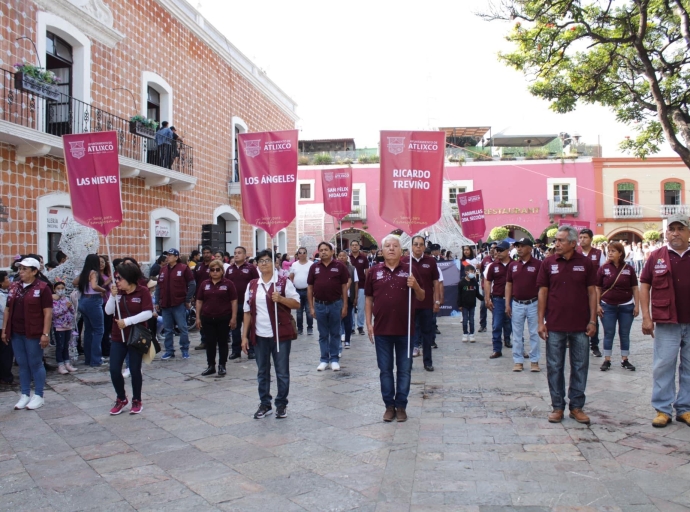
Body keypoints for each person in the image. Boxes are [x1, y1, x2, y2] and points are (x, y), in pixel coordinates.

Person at [537, 226, 597, 425]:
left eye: (561, 240)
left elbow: (592, 292)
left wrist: (592, 320)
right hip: (554, 324)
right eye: (556, 240)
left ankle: (576, 407)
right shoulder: (548, 263)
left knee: (580, 366)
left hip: (580, 325)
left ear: (573, 243)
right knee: (555, 366)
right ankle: (557, 406)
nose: (557, 244)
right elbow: (543, 293)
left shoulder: (586, 263)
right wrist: (540, 322)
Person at [365, 235, 424, 422]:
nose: (391, 248)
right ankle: (389, 406)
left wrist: (415, 286)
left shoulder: (410, 270)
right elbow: (368, 299)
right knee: (385, 370)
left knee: (405, 370)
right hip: (382, 330)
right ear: (381, 251)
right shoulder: (374, 272)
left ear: (401, 250)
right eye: (387, 246)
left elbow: (422, 296)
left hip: (405, 330)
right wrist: (368, 323)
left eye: (395, 245)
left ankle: (401, 406)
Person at [639, 214, 690, 428]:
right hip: (667, 320)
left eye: (680, 228)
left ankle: (685, 409)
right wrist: (646, 317)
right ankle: (662, 409)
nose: (675, 233)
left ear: (688, 232)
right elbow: (644, 285)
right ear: (666, 232)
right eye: (672, 229)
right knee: (663, 365)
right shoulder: (656, 256)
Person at [242, 250, 300, 419]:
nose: (264, 264)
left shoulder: (282, 283)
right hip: (260, 335)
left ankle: (281, 403)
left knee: (282, 371)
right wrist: (244, 336)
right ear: (257, 265)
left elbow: (296, 303)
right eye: (261, 261)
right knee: (262, 370)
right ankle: (264, 403)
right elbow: (247, 312)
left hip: (279, 334)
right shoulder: (252, 285)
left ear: (274, 263)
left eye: (267, 260)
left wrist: (281, 299)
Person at [1, 258, 53, 410]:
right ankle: (24, 394)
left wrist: (45, 334)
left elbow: (48, 313)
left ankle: (38, 394)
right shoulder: (14, 287)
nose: (21, 272)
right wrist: (4, 330)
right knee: (22, 364)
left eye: (25, 269)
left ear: (34, 271)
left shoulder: (43, 288)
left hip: (34, 332)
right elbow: (7, 309)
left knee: (35, 363)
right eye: (20, 269)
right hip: (16, 332)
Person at [105, 264, 153, 415]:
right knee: (114, 369)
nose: (117, 281)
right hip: (118, 336)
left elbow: (148, 313)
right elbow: (108, 311)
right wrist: (112, 297)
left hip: (135, 336)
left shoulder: (142, 291)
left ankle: (137, 399)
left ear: (130, 279)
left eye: (120, 278)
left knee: (134, 369)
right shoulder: (117, 292)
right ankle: (121, 398)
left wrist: (127, 321)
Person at [597, 242, 639, 372]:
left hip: (626, 306)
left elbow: (635, 288)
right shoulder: (603, 269)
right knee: (609, 333)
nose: (609, 253)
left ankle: (624, 359)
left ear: (620, 253)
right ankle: (607, 359)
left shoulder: (629, 269)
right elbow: (597, 288)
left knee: (624, 333)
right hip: (608, 306)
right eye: (608, 251)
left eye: (613, 251)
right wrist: (597, 304)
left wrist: (637, 305)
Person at [308, 242, 349, 371]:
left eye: (326, 250)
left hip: (336, 304)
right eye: (321, 250)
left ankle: (335, 359)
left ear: (332, 252)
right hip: (320, 305)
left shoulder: (340, 266)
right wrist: (311, 307)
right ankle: (324, 359)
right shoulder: (314, 267)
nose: (323, 252)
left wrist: (345, 305)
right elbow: (310, 287)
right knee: (323, 334)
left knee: (335, 333)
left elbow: (344, 286)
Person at [505, 238, 542, 372]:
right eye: (517, 246)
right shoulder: (513, 265)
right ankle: (518, 361)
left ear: (530, 249)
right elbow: (509, 284)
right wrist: (507, 304)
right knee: (517, 334)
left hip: (533, 303)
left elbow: (542, 287)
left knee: (534, 333)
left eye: (522, 246)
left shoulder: (538, 265)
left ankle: (534, 361)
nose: (519, 248)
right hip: (517, 303)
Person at [405, 235, 441, 371]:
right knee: (410, 334)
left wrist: (436, 301)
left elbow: (435, 282)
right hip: (409, 305)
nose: (418, 247)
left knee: (427, 333)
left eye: (421, 244)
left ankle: (428, 362)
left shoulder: (431, 261)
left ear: (425, 247)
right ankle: (408, 363)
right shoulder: (405, 261)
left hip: (426, 304)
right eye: (416, 244)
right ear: (412, 246)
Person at [195, 260, 238, 377]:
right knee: (210, 343)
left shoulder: (228, 284)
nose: (214, 272)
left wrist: (233, 318)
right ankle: (211, 365)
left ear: (222, 271)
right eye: (212, 270)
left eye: (217, 270)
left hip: (223, 317)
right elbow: (199, 301)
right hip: (207, 318)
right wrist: (198, 318)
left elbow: (234, 301)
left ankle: (222, 365)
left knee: (223, 342)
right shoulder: (204, 284)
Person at [156, 248, 195, 360]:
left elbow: (192, 284)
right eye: (167, 255)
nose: (167, 257)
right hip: (165, 304)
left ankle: (184, 349)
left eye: (170, 255)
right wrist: (158, 300)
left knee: (182, 327)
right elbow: (159, 286)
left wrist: (187, 299)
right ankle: (169, 350)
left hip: (178, 303)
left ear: (176, 257)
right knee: (168, 329)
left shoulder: (183, 268)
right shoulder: (163, 270)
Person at [226, 246, 260, 360]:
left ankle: (251, 350)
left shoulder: (251, 268)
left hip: (247, 303)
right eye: (235, 253)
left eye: (239, 253)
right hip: (234, 304)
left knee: (250, 327)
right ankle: (236, 351)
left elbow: (256, 284)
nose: (236, 255)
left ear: (245, 255)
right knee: (234, 327)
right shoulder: (230, 269)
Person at [578, 229, 606, 358]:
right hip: (577, 291)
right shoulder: (575, 253)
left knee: (593, 317)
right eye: (581, 237)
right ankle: (577, 343)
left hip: (593, 291)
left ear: (591, 239)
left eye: (585, 237)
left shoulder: (598, 254)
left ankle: (594, 345)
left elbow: (603, 272)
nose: (582, 240)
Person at [484, 241, 513, 358]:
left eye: (501, 250)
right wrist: (487, 298)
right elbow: (487, 281)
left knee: (513, 324)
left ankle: (510, 342)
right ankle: (497, 349)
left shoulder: (515, 264)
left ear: (508, 251)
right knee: (496, 325)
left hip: (513, 299)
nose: (498, 252)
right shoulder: (493, 266)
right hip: (498, 298)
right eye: (497, 250)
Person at [77, 254, 107, 367]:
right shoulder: (93, 272)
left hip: (83, 300)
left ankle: (88, 358)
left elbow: (75, 282)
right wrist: (103, 289)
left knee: (88, 331)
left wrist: (85, 285)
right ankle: (96, 359)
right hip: (93, 301)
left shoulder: (85, 272)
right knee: (99, 330)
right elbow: (94, 286)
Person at [52, 281, 77, 374]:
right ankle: (60, 364)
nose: (60, 290)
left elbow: (72, 310)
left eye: (62, 288)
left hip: (68, 326)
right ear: (54, 290)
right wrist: (65, 308)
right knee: (60, 345)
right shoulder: (54, 301)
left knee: (66, 345)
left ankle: (67, 363)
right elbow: (55, 313)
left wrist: (70, 307)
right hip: (59, 326)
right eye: (58, 288)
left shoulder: (66, 298)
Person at [193, 246, 214, 351]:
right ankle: (204, 340)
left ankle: (214, 340)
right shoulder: (198, 266)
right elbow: (194, 281)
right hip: (200, 296)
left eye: (208, 252)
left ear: (211, 254)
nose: (206, 254)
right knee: (201, 319)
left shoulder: (215, 266)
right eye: (204, 253)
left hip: (212, 296)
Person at [289, 247, 314, 336]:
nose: (302, 254)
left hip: (308, 291)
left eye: (304, 252)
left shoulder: (311, 264)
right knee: (299, 312)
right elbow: (291, 277)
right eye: (300, 252)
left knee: (308, 310)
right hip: (297, 291)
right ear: (298, 254)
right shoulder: (294, 265)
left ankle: (310, 328)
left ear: (306, 254)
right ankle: (300, 328)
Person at [337, 250, 358, 350]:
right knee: (337, 319)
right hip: (336, 298)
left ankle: (347, 340)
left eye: (343, 256)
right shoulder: (335, 268)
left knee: (347, 319)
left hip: (348, 297)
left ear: (347, 257)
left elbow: (356, 283)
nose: (341, 257)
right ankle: (341, 335)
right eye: (339, 256)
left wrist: (356, 297)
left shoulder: (352, 269)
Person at [457, 264, 483, 342]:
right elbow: (459, 294)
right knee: (465, 320)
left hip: (472, 305)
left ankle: (472, 334)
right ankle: (465, 334)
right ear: (466, 272)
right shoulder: (461, 283)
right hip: (464, 305)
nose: (472, 273)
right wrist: (459, 305)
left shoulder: (474, 282)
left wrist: (485, 299)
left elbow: (477, 294)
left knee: (471, 320)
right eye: (471, 271)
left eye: (473, 272)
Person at [349, 240, 369, 336]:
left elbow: (367, 271)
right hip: (350, 286)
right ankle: (351, 327)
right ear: (350, 247)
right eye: (353, 245)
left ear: (359, 247)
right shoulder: (348, 258)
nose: (354, 247)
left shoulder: (364, 258)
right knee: (351, 307)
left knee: (361, 307)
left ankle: (360, 326)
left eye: (356, 245)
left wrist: (367, 284)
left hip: (361, 285)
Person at [477, 244, 496, 333]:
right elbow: (482, 272)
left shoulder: (500, 260)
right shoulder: (485, 259)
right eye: (491, 248)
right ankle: (482, 325)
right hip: (486, 287)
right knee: (483, 306)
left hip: (496, 288)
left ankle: (496, 325)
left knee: (495, 308)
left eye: (495, 248)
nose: (492, 250)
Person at [99, 255, 113, 362]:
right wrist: (107, 282)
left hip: (109, 302)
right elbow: (97, 289)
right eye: (99, 262)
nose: (101, 264)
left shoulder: (108, 274)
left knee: (108, 327)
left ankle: (107, 346)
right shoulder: (95, 276)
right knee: (102, 327)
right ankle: (104, 349)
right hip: (101, 303)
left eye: (103, 262)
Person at [0, 271, 13, 385]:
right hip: (2, 327)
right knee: (6, 352)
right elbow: (5, 310)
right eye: (7, 279)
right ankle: (6, 376)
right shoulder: (2, 295)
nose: (9, 280)